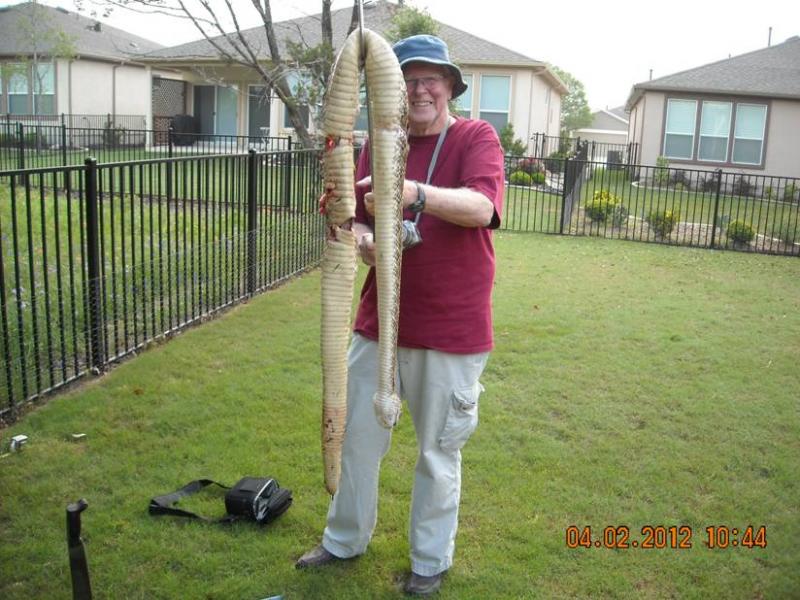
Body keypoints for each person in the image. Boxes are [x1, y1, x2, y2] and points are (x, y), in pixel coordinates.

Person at [297, 34, 505, 596]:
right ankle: (343, 541)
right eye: (408, 79)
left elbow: (482, 207)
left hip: (452, 331)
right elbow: (360, 218)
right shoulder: (377, 143)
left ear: (449, 88)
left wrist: (413, 192)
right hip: (377, 321)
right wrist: (360, 234)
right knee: (356, 440)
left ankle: (429, 563)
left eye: (430, 80)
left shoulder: (475, 137)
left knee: (437, 454)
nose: (418, 90)